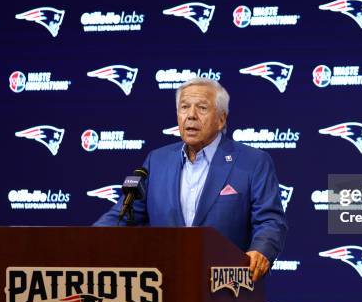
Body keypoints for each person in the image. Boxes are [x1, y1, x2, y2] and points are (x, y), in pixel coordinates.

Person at [95, 78, 288, 282]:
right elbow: (124, 215)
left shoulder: (253, 162)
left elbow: (270, 220)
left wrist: (261, 251)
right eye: (184, 107)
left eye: (202, 108)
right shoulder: (157, 160)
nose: (191, 116)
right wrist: (86, 242)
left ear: (221, 120)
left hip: (226, 288)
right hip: (165, 284)